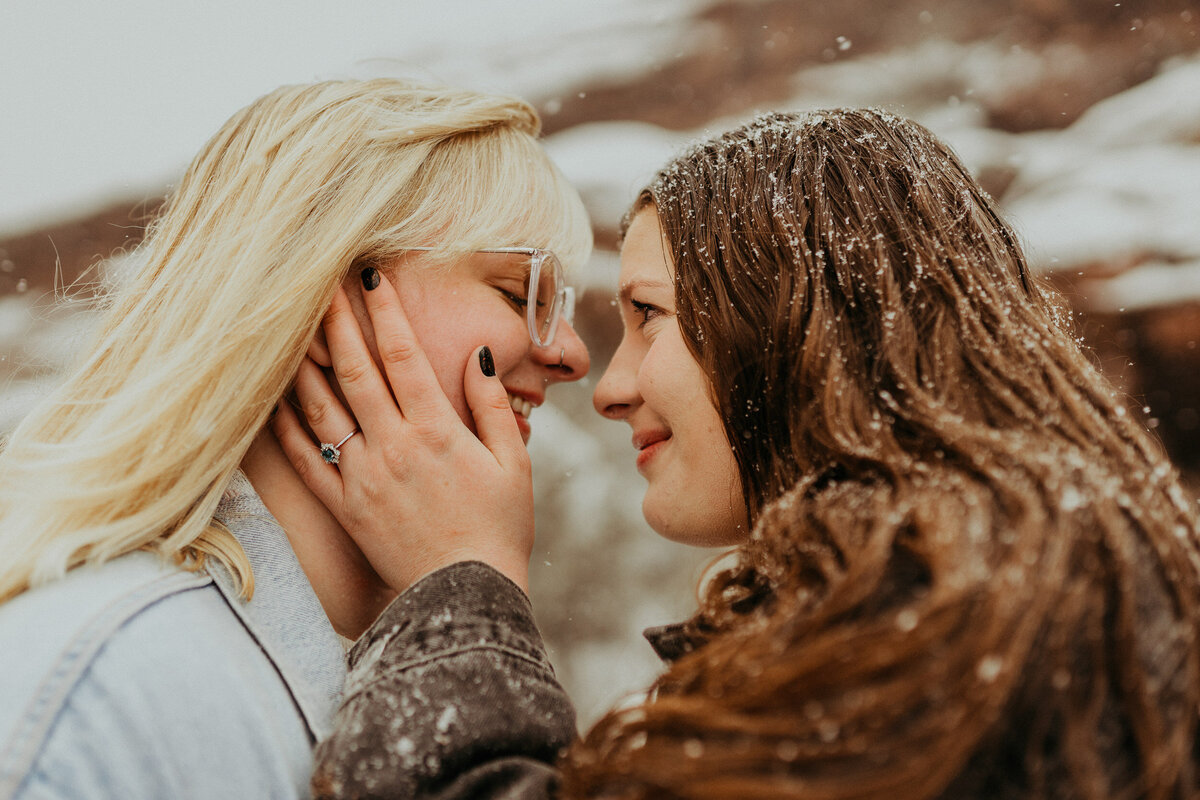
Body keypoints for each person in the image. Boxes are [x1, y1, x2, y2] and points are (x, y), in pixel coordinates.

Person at [292, 108, 1200, 799]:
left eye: (648, 317)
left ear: (795, 322)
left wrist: (457, 585)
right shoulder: (1022, 570)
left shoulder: (955, 606)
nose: (608, 385)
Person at [0, 78, 590, 798]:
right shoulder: (104, 693)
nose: (571, 352)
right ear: (331, 295)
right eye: (517, 291)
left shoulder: (345, 671)